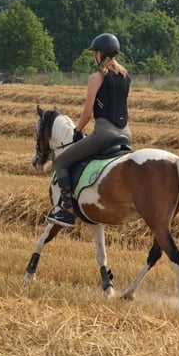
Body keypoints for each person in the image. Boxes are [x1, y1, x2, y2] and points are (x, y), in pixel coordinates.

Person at [45, 33, 132, 227]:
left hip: (104, 134)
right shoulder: (125, 78)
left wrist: (77, 130)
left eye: (95, 52)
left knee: (61, 161)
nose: (94, 56)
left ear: (100, 54)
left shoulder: (97, 77)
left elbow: (87, 114)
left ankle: (66, 209)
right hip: (126, 135)